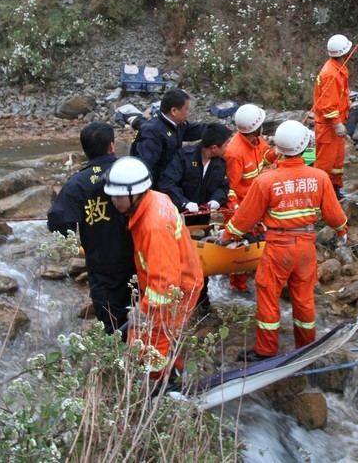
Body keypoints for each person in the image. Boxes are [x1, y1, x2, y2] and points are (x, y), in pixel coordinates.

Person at [223, 120, 348, 363]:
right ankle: (306, 345)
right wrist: (343, 230)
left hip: (278, 247)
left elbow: (245, 218)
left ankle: (266, 350)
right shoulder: (319, 177)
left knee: (269, 295)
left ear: (278, 148)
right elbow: (334, 215)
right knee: (303, 297)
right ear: (305, 146)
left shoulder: (266, 180)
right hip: (306, 247)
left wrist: (227, 235)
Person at [103, 156, 204, 377]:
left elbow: (165, 285)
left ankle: (158, 386)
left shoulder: (154, 227)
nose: (113, 201)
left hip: (176, 290)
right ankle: (173, 369)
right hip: (179, 280)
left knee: (151, 343)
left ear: (134, 194)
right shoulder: (156, 198)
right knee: (161, 335)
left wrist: (144, 311)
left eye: (117, 197)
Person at [46, 122, 135, 335]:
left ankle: (121, 362)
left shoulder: (77, 184)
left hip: (102, 268)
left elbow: (58, 222)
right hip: (138, 261)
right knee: (142, 319)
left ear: (85, 150)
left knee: (113, 324)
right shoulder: (130, 171)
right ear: (112, 146)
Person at [159, 123, 233, 314]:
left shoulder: (219, 163)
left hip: (203, 219)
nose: (228, 148)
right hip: (179, 218)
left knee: (201, 260)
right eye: (226, 144)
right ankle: (176, 300)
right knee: (178, 260)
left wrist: (217, 200)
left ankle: (201, 300)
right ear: (214, 147)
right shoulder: (183, 157)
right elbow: (167, 183)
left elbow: (222, 187)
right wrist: (184, 203)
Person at [223, 103, 276, 293]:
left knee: (263, 242)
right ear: (255, 128)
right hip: (242, 207)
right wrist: (237, 213)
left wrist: (276, 152)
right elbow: (229, 187)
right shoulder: (234, 152)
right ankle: (238, 287)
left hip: (259, 202)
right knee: (240, 250)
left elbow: (265, 158)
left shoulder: (257, 141)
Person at [130, 88, 206, 188]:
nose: (188, 113)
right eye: (186, 109)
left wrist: (213, 130)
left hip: (171, 177)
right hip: (157, 184)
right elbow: (146, 166)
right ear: (174, 111)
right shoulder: (153, 131)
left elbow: (191, 130)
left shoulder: (178, 123)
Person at [312, 34, 352, 200]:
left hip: (336, 125)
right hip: (328, 127)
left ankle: (334, 190)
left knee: (337, 162)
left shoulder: (338, 68)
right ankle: (318, 196)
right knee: (325, 164)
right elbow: (328, 105)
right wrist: (336, 123)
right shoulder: (330, 73)